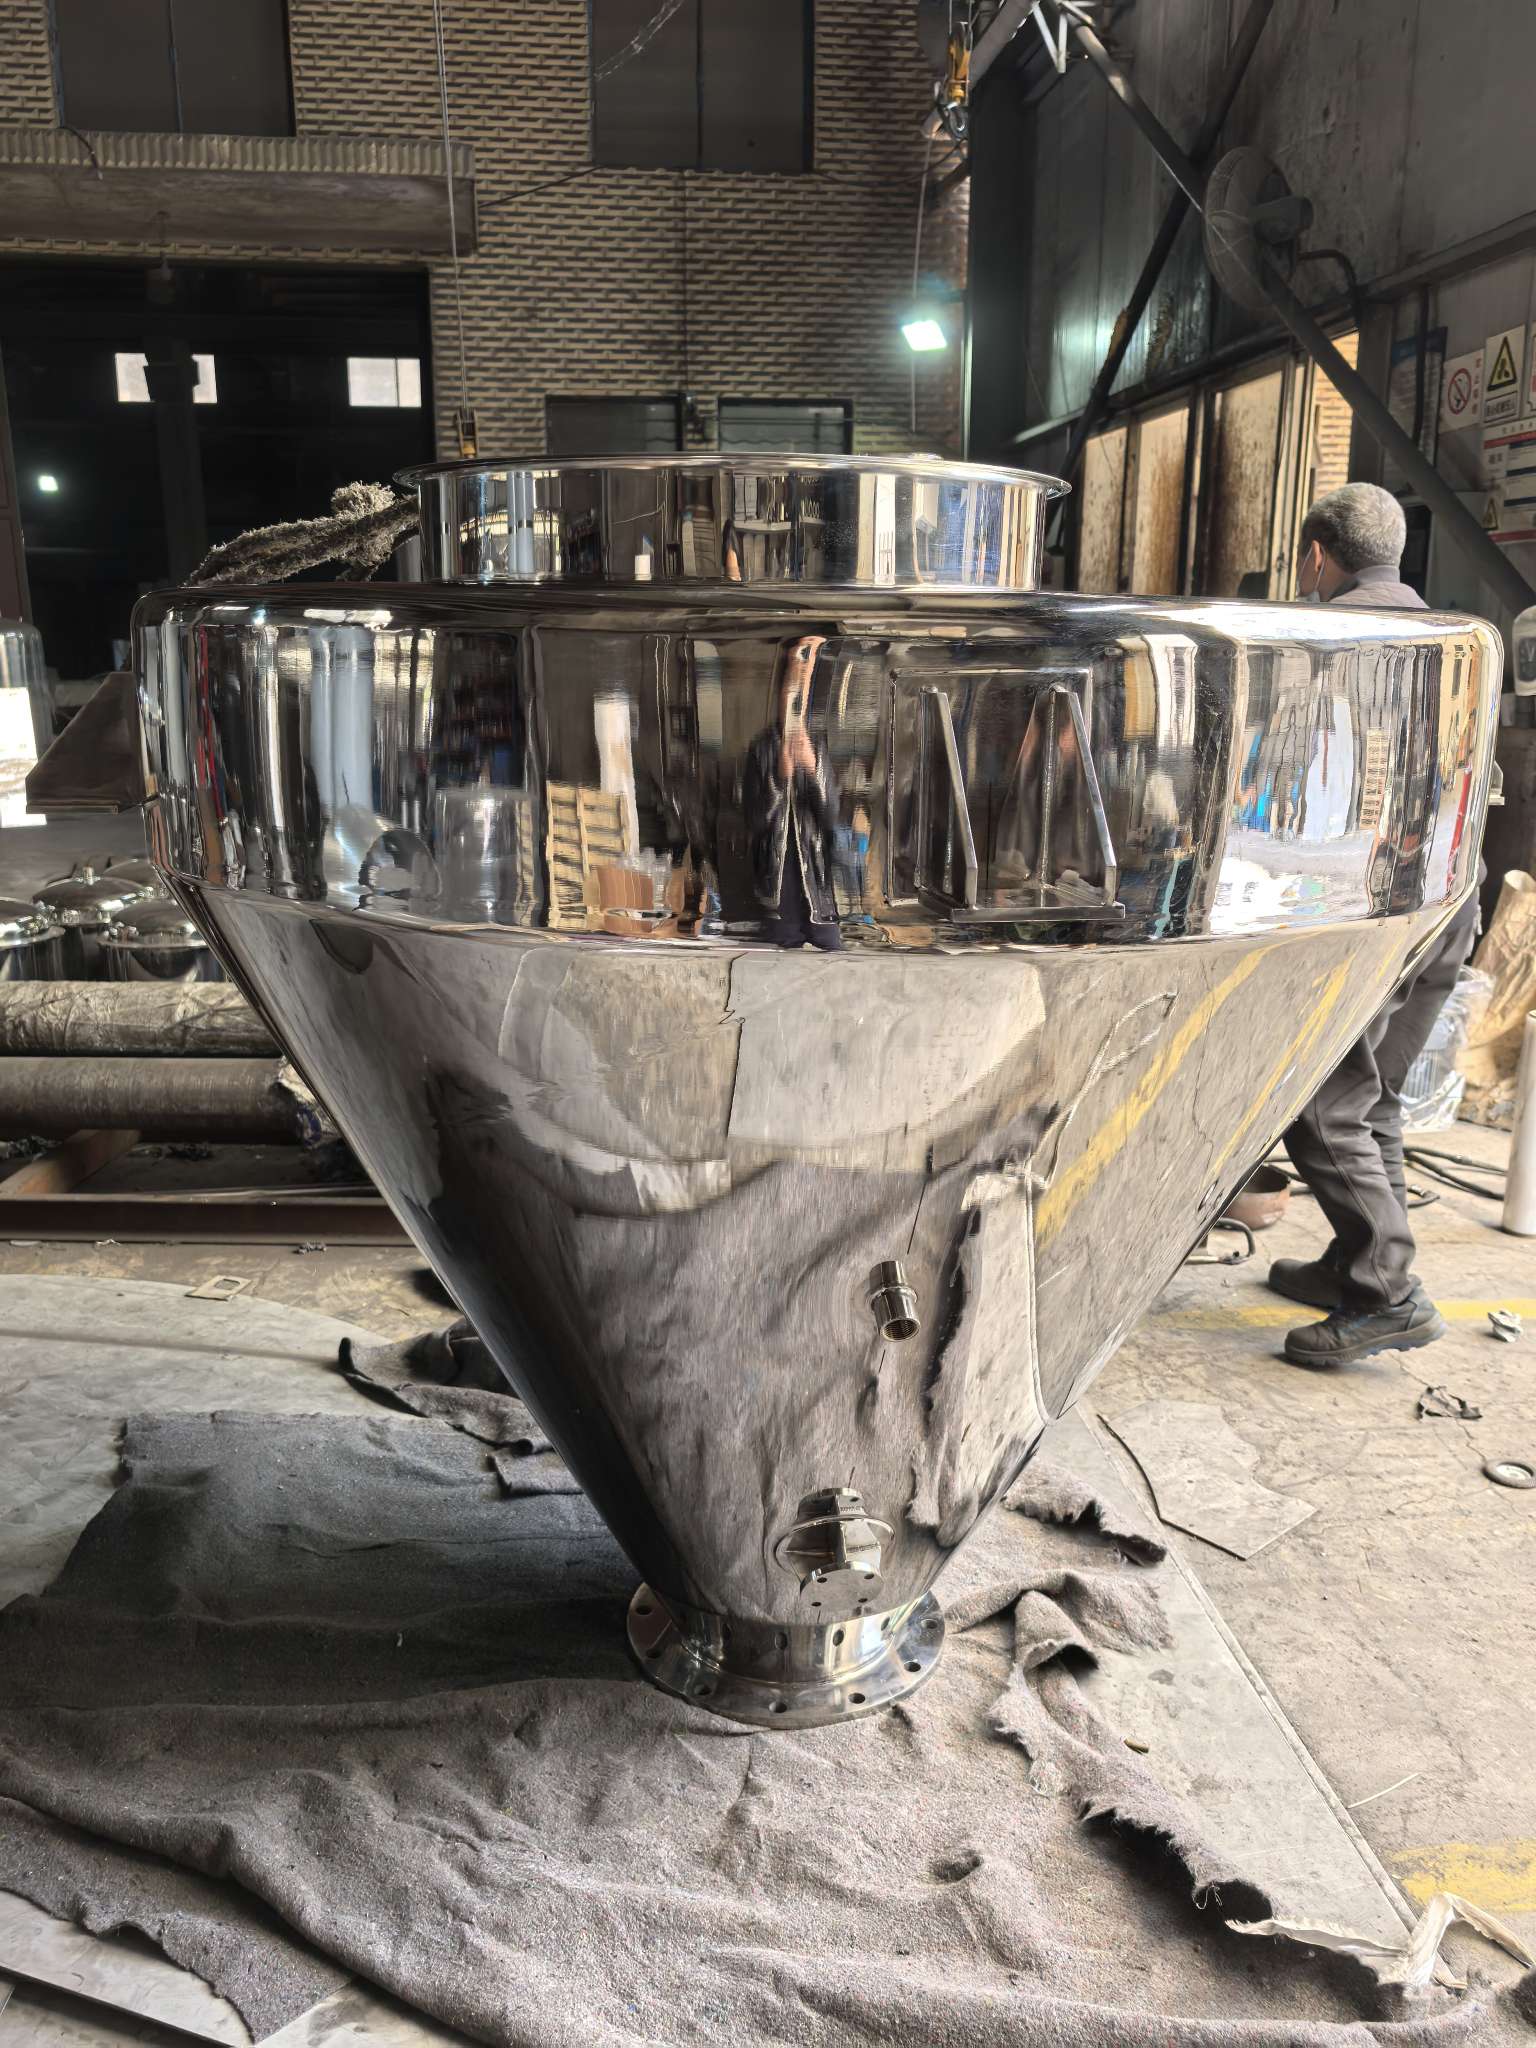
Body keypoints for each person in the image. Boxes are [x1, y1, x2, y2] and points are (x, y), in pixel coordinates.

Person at [1272, 484, 1482, 1366]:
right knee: (1376, 1101)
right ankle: (1355, 1262)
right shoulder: (1459, 639)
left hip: (1379, 904)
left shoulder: (1334, 643)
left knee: (1320, 1103)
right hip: (1452, 897)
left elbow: (1307, 797)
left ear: (1318, 554)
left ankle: (1386, 1294)